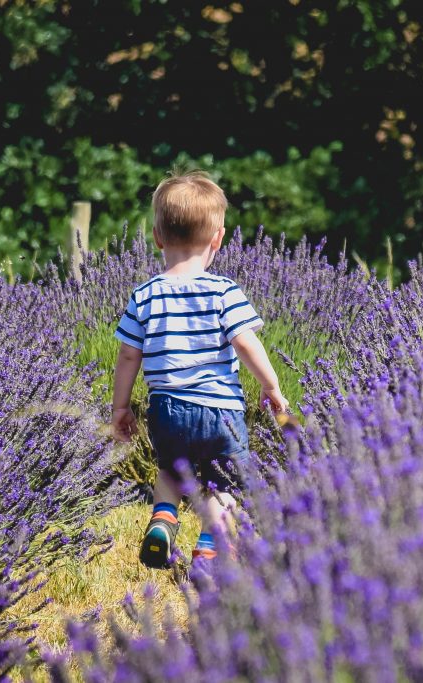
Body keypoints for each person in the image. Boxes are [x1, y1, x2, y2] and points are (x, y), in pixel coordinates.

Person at [111, 171, 289, 568]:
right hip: (220, 411)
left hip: (166, 409)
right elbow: (245, 342)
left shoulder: (144, 295)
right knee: (224, 484)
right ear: (218, 239)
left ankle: (162, 519)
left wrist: (119, 409)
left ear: (157, 237)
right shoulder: (224, 291)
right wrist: (272, 386)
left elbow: (127, 357)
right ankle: (208, 550)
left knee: (171, 471)